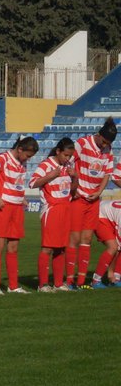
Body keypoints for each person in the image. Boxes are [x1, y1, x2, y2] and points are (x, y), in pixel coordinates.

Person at [67, 118, 116, 289]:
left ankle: (81, 282)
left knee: (87, 238)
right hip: (78, 198)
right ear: (98, 135)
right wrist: (75, 184)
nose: (104, 146)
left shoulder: (108, 149)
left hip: (94, 200)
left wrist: (99, 192)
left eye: (107, 143)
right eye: (103, 141)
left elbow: (107, 174)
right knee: (74, 238)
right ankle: (69, 280)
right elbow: (68, 162)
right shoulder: (82, 143)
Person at [0, 135, 39, 295]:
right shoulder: (3, 158)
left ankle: (13, 286)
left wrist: (21, 197)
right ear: (20, 149)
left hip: (17, 208)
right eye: (27, 155)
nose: (28, 159)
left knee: (13, 247)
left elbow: (17, 183)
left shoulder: (23, 163)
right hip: (3, 207)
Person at [29, 137, 77, 292]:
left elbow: (73, 191)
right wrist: (51, 175)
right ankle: (42, 284)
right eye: (66, 155)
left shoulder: (69, 166)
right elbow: (32, 183)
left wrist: (75, 176)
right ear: (58, 152)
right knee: (48, 248)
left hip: (65, 208)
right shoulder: (46, 165)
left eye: (70, 156)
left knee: (61, 248)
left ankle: (58, 283)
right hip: (51, 209)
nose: (68, 158)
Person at [90, 200, 121, 288]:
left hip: (107, 214)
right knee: (113, 247)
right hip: (99, 215)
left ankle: (116, 278)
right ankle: (96, 281)